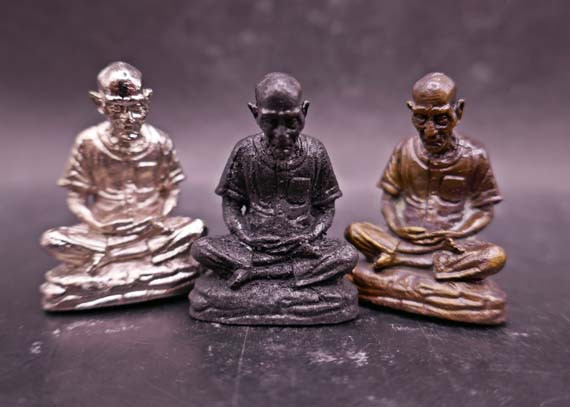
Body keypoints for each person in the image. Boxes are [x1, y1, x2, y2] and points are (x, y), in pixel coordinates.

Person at [40, 62, 205, 310]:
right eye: (118, 109)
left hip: (151, 229)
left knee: (196, 229)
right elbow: (76, 198)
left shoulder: (159, 141)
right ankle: (133, 256)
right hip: (104, 231)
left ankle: (110, 258)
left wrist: (160, 216)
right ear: (100, 105)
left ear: (146, 103)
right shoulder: (89, 143)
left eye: (136, 109)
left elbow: (171, 190)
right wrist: (97, 225)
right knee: (53, 240)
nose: (128, 119)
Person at [191, 72, 357, 290]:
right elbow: (231, 205)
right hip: (255, 243)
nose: (281, 133)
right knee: (201, 248)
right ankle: (290, 274)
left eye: (291, 122)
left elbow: (326, 209)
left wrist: (311, 235)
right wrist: (246, 236)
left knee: (347, 255)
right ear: (255, 113)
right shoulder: (245, 151)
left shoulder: (315, 152)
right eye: (270, 121)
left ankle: (256, 273)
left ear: (304, 111)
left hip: (301, 244)